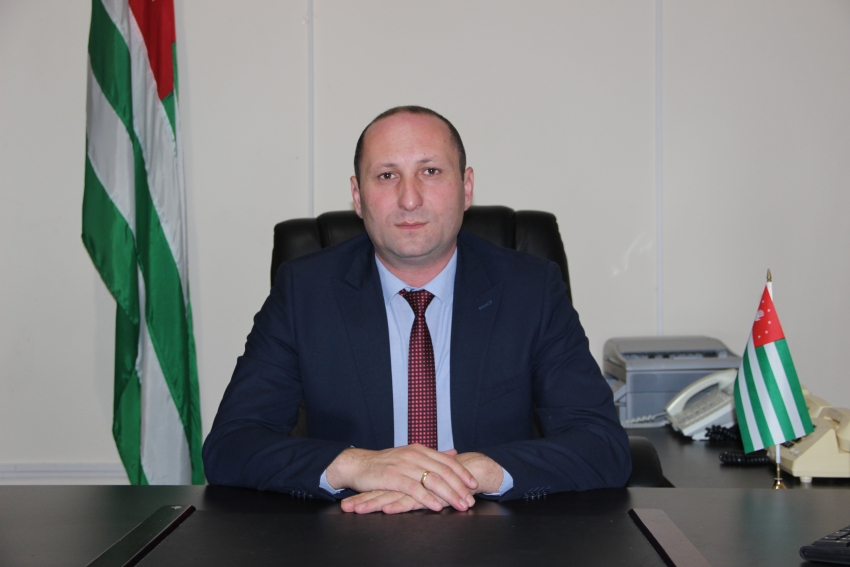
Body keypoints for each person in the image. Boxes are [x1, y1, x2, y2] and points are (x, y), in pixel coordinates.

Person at [202, 106, 631, 514]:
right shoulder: (304, 292)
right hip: (352, 532)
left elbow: (603, 445)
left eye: (430, 172)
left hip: (493, 532)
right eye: (387, 175)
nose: (409, 199)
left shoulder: (531, 290)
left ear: (466, 188)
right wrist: (358, 465)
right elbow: (230, 446)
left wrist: (474, 472)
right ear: (357, 196)